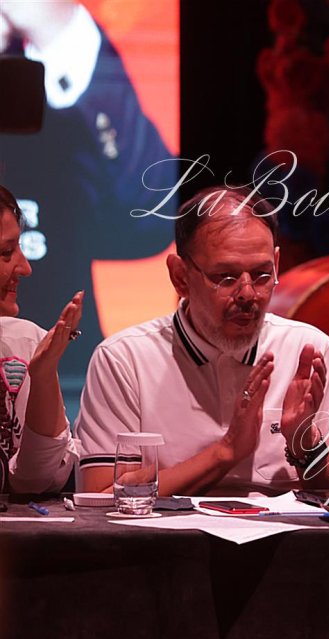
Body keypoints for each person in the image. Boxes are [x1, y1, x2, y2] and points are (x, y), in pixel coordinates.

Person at [75, 186, 329, 496]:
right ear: (180, 276)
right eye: (225, 277)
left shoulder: (308, 351)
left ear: (276, 264)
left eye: (261, 274)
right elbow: (100, 497)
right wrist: (225, 451)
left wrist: (306, 445)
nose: (247, 294)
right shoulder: (125, 359)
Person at [1, 0, 176, 380]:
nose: (20, 266)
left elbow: (149, 217)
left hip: (64, 378)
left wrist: (60, 34)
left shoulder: (55, 94)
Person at [0, 186, 80, 494]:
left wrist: (43, 375)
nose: (25, 267)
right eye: (6, 252)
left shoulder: (22, 343)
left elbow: (34, 482)